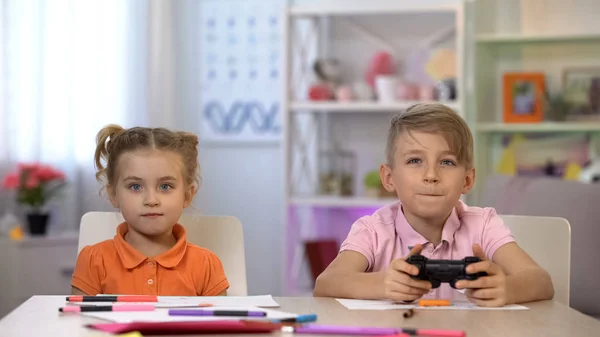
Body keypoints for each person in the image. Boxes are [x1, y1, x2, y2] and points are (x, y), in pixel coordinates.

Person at [313, 103, 554, 307]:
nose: (431, 175)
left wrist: (507, 288)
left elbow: (540, 281)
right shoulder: (373, 230)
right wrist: (383, 283)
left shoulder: (483, 225)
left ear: (467, 180)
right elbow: (326, 283)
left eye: (447, 162)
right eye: (415, 160)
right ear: (389, 178)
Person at [71, 125, 229, 296]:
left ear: (187, 195)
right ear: (113, 194)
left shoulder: (206, 264)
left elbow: (219, 323)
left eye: (165, 186)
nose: (151, 200)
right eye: (135, 186)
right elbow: (78, 321)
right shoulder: (93, 260)